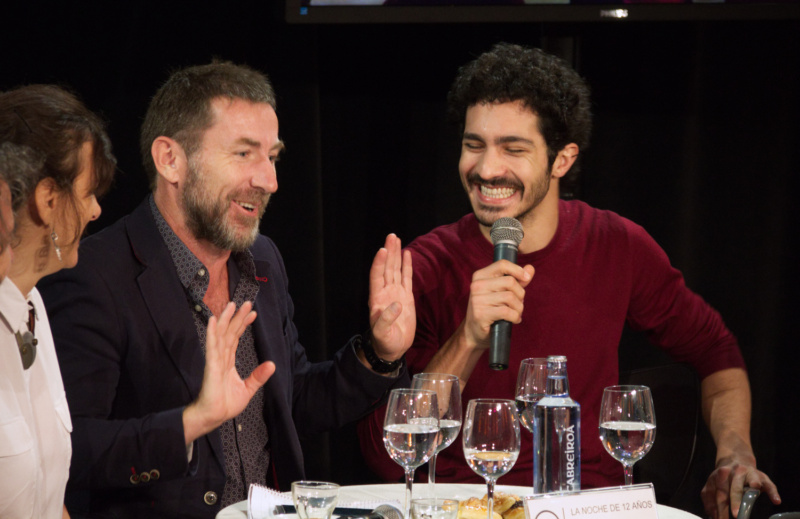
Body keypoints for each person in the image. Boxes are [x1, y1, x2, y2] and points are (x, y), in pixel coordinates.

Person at [356, 43, 780, 519]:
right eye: (474, 145)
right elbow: (388, 457)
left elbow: (716, 354)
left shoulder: (617, 245)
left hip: (590, 509)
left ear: (562, 160)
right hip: (466, 509)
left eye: (513, 148)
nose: (486, 168)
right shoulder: (426, 264)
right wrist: (469, 338)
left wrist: (734, 454)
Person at [38, 61, 415, 518]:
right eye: (244, 154)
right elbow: (70, 451)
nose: (269, 181)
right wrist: (191, 422)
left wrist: (379, 354)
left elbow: (290, 400)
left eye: (272, 157)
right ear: (170, 160)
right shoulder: (97, 273)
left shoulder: (263, 260)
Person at [0, 86, 117, 519]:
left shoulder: (34, 306)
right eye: (88, 193)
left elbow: (48, 501)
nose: (95, 211)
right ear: (48, 200)